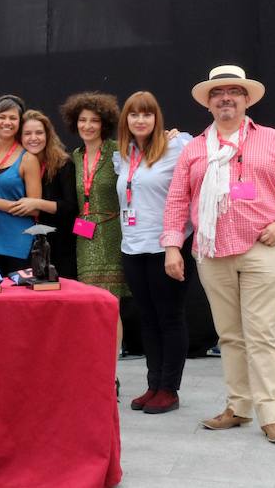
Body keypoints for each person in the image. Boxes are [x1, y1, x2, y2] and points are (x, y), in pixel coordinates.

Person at [163, 65, 275, 444]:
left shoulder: (272, 140)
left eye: (234, 92)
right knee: (229, 335)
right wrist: (173, 246)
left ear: (246, 99)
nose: (226, 98)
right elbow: (177, 199)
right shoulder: (194, 149)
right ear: (208, 103)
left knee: (260, 334)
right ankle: (239, 407)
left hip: (263, 249)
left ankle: (271, 415)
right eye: (218, 93)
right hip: (211, 252)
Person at [115, 91, 193, 414]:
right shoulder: (124, 153)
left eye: (147, 114)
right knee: (147, 319)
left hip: (167, 246)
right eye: (134, 115)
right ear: (127, 121)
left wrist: (179, 134)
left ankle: (169, 389)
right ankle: (153, 383)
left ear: (157, 118)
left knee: (169, 317)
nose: (140, 120)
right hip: (132, 246)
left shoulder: (178, 145)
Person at [61, 92, 130, 394]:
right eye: (83, 120)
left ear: (105, 124)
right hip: (84, 239)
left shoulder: (119, 151)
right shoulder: (72, 158)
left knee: (111, 307)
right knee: (91, 307)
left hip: (112, 233)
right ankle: (95, 369)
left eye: (95, 121)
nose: (88, 125)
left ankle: (110, 373)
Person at [0, 95, 42, 274]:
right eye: (2, 117)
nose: (7, 122)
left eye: (13, 118)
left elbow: (35, 208)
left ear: (20, 122)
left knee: (16, 299)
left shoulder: (28, 158)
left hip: (16, 244)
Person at [8, 110, 78, 278]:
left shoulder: (62, 164)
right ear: (19, 137)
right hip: (27, 243)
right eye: (28, 133)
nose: (34, 138)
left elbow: (70, 207)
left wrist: (37, 203)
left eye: (39, 133)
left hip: (59, 245)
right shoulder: (16, 166)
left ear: (48, 135)